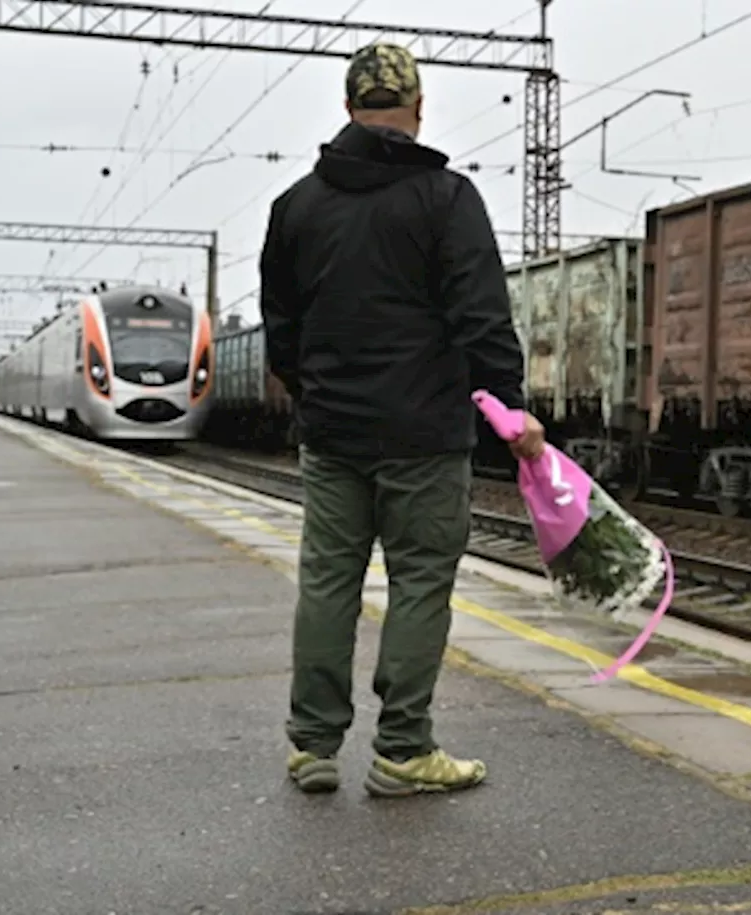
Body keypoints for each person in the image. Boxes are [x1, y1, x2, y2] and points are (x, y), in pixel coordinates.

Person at [258, 42, 544, 798]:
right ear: (417, 109)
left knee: (327, 582)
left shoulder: (296, 207)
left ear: (348, 110)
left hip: (333, 435)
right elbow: (484, 316)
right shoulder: (447, 199)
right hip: (423, 434)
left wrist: (315, 394)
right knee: (419, 583)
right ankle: (403, 750)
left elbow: (279, 330)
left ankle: (313, 747)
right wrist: (510, 408)